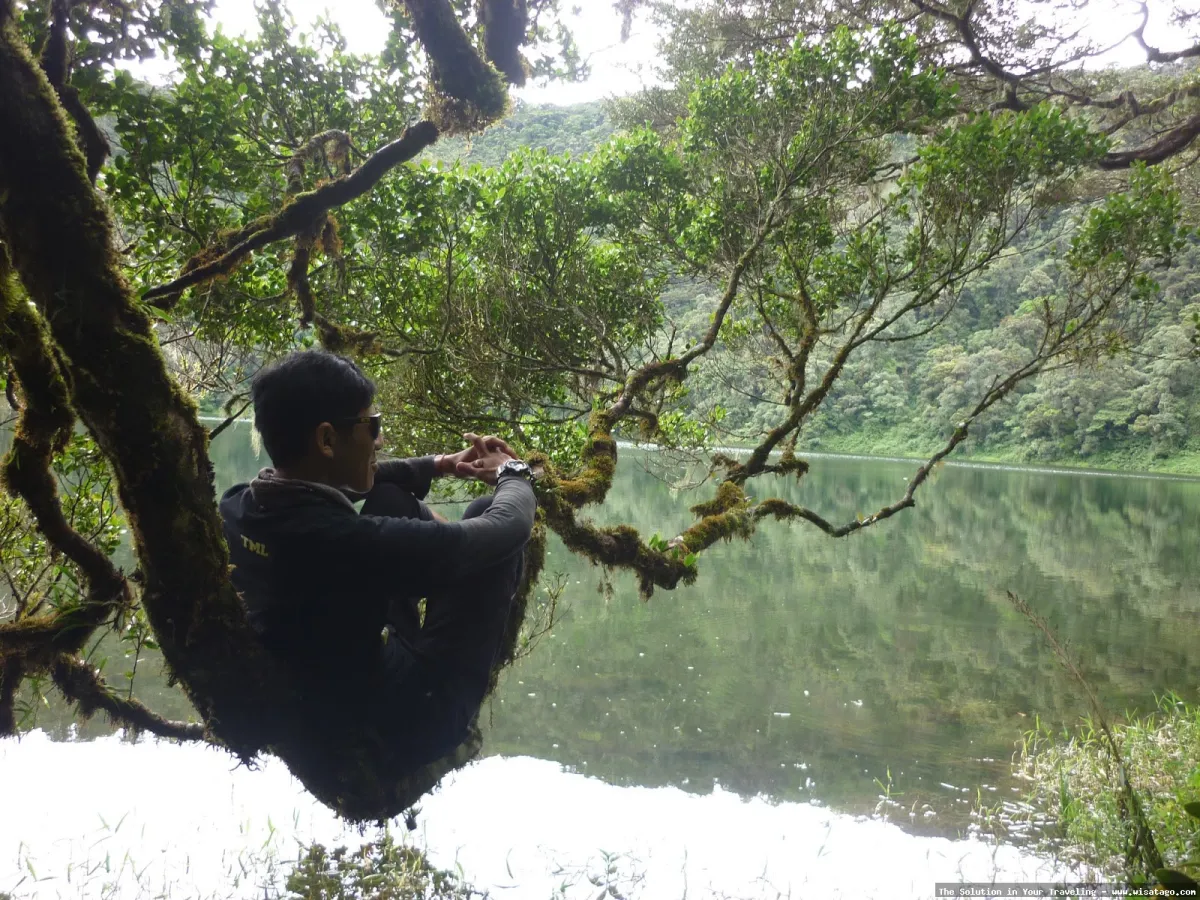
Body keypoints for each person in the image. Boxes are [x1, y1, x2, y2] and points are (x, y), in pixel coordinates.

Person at [219, 350, 537, 767]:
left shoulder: (240, 505)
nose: (380, 440)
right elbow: (506, 528)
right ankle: (452, 713)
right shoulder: (348, 543)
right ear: (327, 440)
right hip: (405, 724)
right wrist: (515, 473)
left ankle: (431, 574)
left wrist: (441, 465)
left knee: (389, 497)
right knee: (483, 519)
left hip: (329, 677)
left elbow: (353, 483)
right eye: (373, 426)